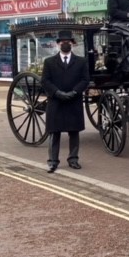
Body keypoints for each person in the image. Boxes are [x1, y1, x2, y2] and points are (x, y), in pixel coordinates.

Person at [41, 30, 90, 173]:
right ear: (58, 44)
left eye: (68, 42)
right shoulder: (49, 62)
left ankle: (73, 159)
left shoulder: (81, 61)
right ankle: (53, 161)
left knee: (74, 132)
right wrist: (57, 92)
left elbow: (85, 80)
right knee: (54, 132)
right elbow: (45, 80)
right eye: (63, 42)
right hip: (56, 102)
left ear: (72, 44)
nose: (65, 44)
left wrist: (74, 92)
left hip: (73, 101)